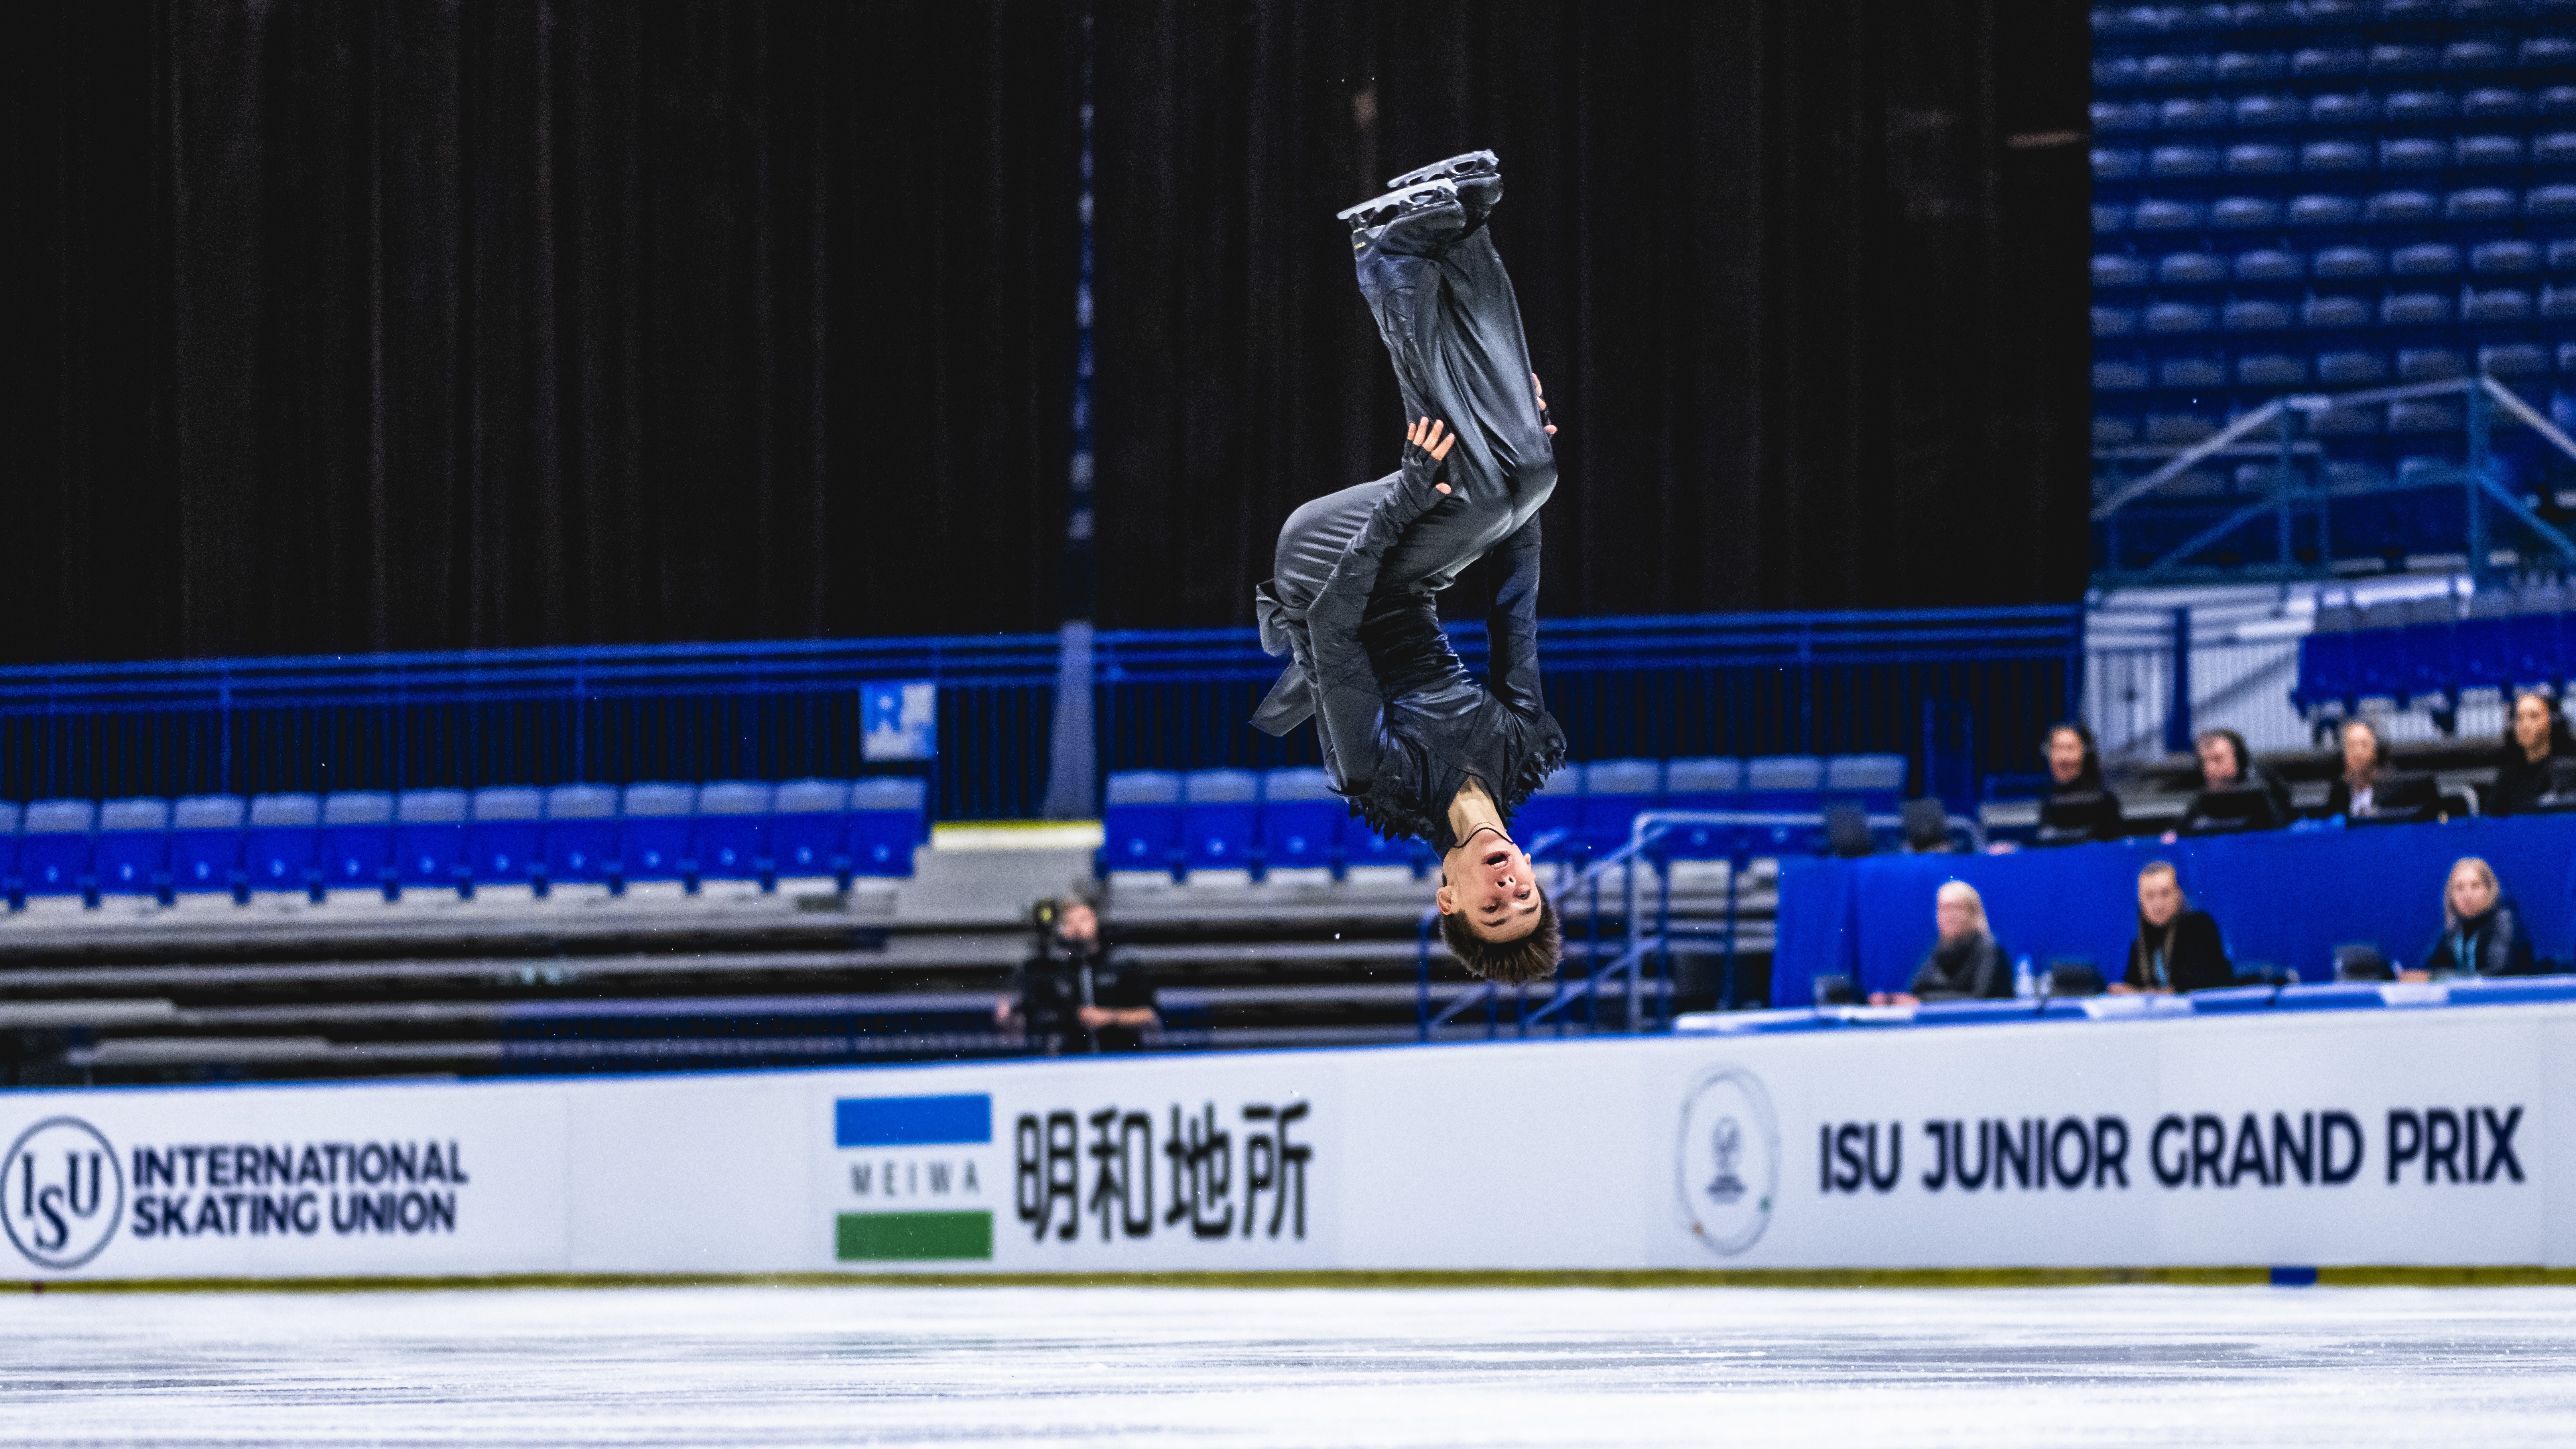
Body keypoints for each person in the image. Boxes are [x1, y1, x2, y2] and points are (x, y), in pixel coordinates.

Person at [1251, 152, 1568, 984]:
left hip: (1320, 568)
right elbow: (1512, 606)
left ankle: (1388, 254)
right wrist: (1527, 462)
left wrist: (1401, 496)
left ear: (1447, 898)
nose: (1507, 884)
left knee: (1475, 487)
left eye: (1493, 905)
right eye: (1526, 896)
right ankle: (1461, 238)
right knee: (1528, 476)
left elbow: (1327, 626)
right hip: (1406, 577)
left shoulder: (1378, 774)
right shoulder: (1521, 749)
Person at [995, 892, 1159, 1053]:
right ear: (1062, 929)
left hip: (1120, 1059)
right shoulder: (1051, 971)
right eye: (1070, 922)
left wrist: (1109, 1017)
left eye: (1084, 920)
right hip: (1070, 1064)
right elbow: (1029, 1019)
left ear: (1097, 922)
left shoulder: (1123, 965)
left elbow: (1150, 1016)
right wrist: (1010, 1018)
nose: (1078, 927)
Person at [1871, 880, 2012, 1005]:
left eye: (1956, 908)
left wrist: (1923, 1001)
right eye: (1944, 909)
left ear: (1973, 913)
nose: (1949, 916)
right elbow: (1918, 990)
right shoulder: (1941, 949)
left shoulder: (1989, 949)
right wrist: (1892, 999)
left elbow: (1981, 1000)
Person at [2113, 861, 2232, 994]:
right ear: (2140, 900)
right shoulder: (2141, 941)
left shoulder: (2200, 927)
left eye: (2165, 894)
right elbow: (2133, 984)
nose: (2158, 904)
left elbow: (2196, 984)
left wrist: (2143, 994)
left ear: (2179, 894)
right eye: (2150, 896)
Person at [2409, 856, 2533, 980]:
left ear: (2490, 890)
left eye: (2475, 886)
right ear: (2451, 896)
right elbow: (2428, 968)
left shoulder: (2505, 921)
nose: (2467, 895)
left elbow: (2495, 976)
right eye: (2460, 888)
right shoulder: (2454, 929)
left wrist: (2436, 978)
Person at [2177, 728, 2291, 835]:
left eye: (2218, 759)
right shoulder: (2199, 806)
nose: (2209, 768)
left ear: (2239, 760)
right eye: (2204, 762)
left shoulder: (2264, 798)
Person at [2487, 690, 2574, 816]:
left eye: (2534, 716)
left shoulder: (2569, 770)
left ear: (2550, 721)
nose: (2526, 725)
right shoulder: (2507, 778)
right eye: (2519, 718)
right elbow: (2494, 822)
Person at [2034, 721, 2123, 843]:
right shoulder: (2048, 800)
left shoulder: (2103, 801)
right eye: (2057, 748)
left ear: (2085, 754)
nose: (2063, 758)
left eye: (2070, 748)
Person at [2321, 717, 2390, 819]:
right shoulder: (2338, 793)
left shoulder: (2388, 790)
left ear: (2374, 753)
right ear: (2345, 754)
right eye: (2352, 745)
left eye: (2364, 745)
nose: (2358, 753)